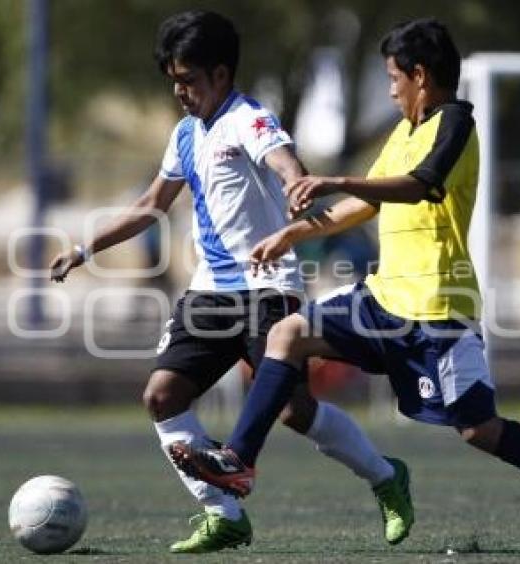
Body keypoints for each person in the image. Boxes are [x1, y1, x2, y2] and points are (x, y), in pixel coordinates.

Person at [170, 18, 520, 557]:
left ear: (421, 75)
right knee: (288, 334)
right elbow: (369, 203)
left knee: (479, 430)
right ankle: (239, 463)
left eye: (393, 78)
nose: (390, 90)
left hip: (437, 313)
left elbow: (418, 185)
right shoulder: (405, 129)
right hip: (381, 300)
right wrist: (294, 230)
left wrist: (335, 179)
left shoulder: (456, 122)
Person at [48, 11, 412, 554]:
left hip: (270, 289)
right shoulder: (186, 135)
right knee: (161, 394)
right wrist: (84, 249)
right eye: (173, 81)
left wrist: (296, 184)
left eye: (189, 80)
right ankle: (224, 514)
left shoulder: (250, 119)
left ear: (220, 75)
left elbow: (286, 163)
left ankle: (386, 476)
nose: (180, 91)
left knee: (293, 410)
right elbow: (151, 206)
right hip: (209, 294)